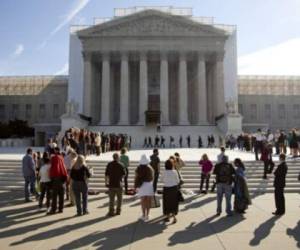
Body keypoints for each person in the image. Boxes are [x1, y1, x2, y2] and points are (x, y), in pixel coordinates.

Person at [48, 147, 68, 214]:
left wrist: (51, 177)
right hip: (62, 178)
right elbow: (63, 168)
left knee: (54, 195)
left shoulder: (54, 158)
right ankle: (61, 208)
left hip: (55, 178)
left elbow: (52, 168)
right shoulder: (61, 157)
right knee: (61, 194)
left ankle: (53, 209)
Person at [134, 155, 154, 221]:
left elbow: (136, 177)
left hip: (142, 185)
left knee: (142, 200)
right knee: (148, 200)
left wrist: (136, 186)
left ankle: (143, 214)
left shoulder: (138, 168)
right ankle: (147, 214)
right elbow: (152, 177)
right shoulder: (150, 168)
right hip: (149, 185)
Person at [161, 159, 180, 224]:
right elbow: (178, 181)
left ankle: (168, 216)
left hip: (166, 188)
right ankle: (174, 217)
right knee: (173, 203)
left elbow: (162, 180)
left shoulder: (164, 172)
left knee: (167, 203)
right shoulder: (174, 171)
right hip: (174, 189)